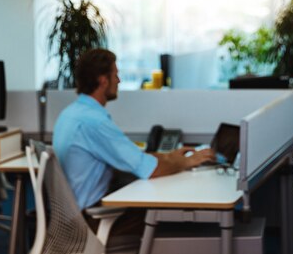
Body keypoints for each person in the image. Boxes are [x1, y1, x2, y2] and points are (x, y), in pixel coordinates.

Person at [53, 48, 214, 210]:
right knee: (159, 215)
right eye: (115, 75)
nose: (119, 80)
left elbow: (132, 158)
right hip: (92, 217)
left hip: (73, 214)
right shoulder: (95, 122)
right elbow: (149, 169)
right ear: (103, 80)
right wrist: (188, 161)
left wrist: (169, 156)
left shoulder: (70, 114)